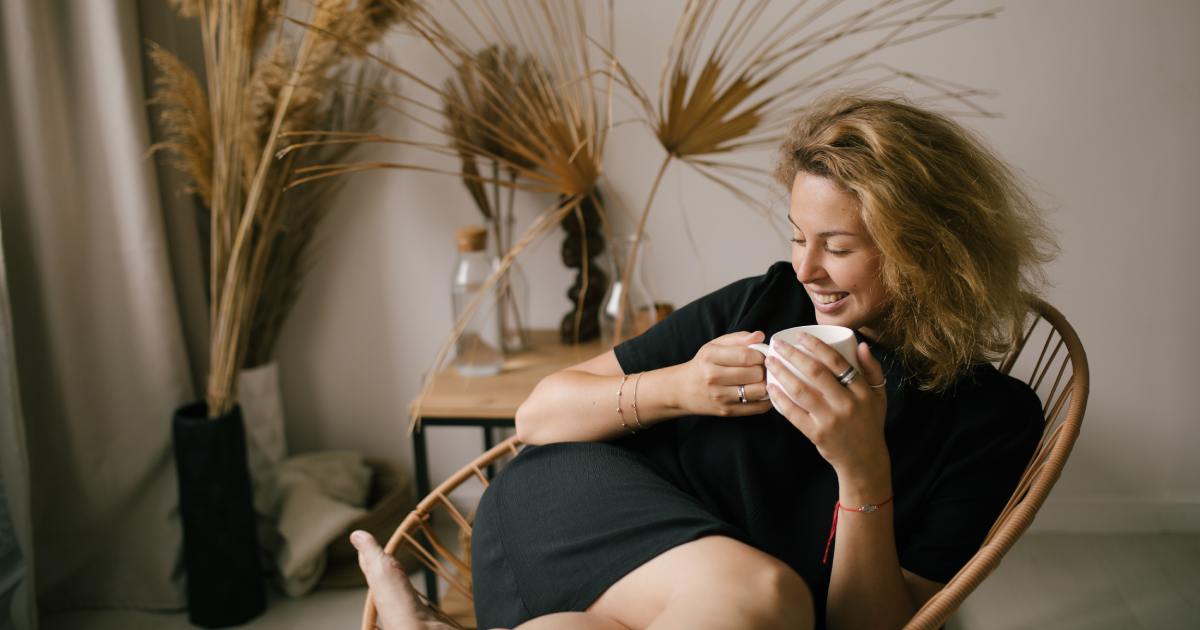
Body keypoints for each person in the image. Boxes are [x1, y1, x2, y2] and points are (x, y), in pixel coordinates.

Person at [364, 90, 1057, 630]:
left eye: (838, 247)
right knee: (765, 596)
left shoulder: (992, 420)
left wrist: (860, 467)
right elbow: (539, 414)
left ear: (929, 249)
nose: (807, 269)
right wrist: (682, 387)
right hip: (580, 503)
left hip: (690, 607)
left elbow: (873, 625)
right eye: (797, 237)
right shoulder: (767, 303)